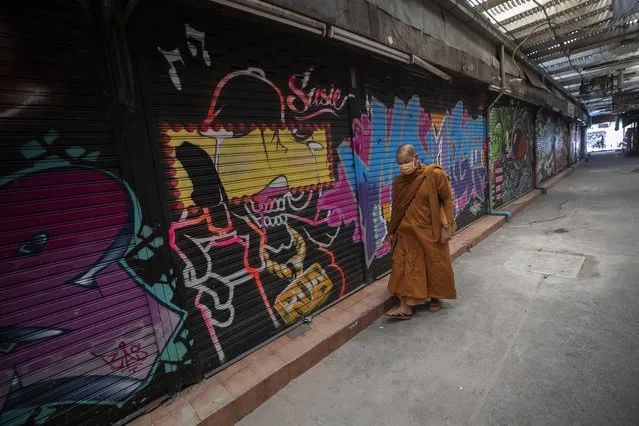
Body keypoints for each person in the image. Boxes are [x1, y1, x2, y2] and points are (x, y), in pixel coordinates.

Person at [385, 144, 457, 319]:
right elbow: (397, 209)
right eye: (400, 163)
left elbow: (447, 199)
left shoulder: (434, 175)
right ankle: (405, 306)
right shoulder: (400, 182)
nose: (403, 166)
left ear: (416, 158)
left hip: (430, 230)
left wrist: (446, 227)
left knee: (434, 264)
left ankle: (435, 297)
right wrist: (392, 231)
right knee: (405, 267)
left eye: (406, 162)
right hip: (406, 233)